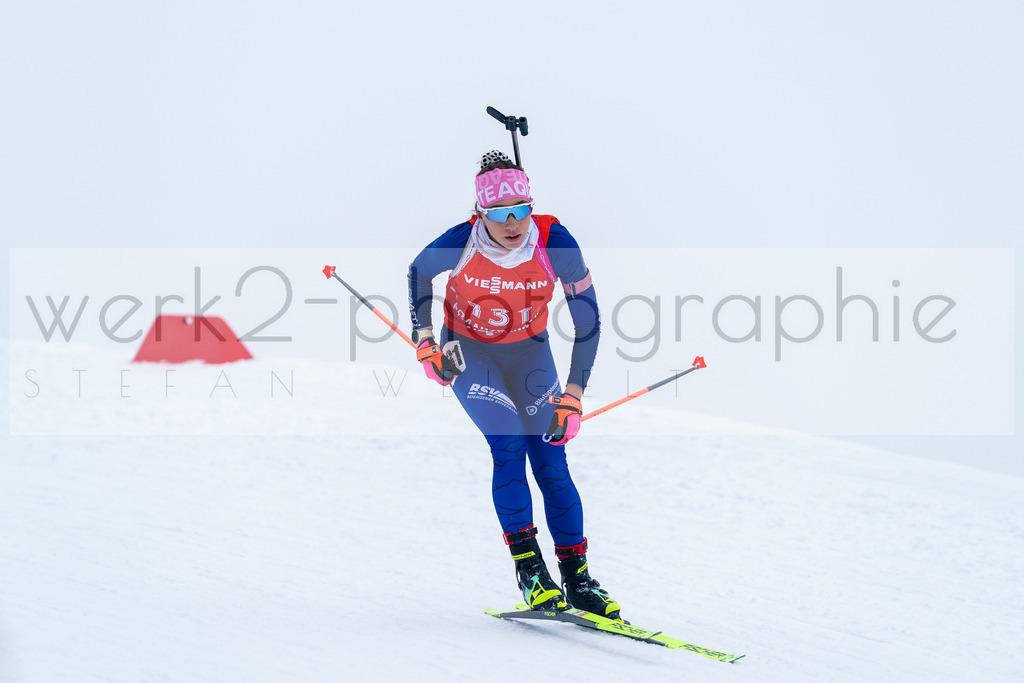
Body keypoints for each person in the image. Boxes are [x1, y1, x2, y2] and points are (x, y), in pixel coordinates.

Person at [407, 150, 621, 620]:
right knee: (508, 444)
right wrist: (425, 340)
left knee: (551, 460)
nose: (511, 222)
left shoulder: (555, 242)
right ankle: (531, 573)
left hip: (530, 354)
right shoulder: (462, 241)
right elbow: (419, 271)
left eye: (520, 209)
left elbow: (588, 322)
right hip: (470, 354)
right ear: (479, 213)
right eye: (499, 212)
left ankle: (579, 580)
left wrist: (573, 396)